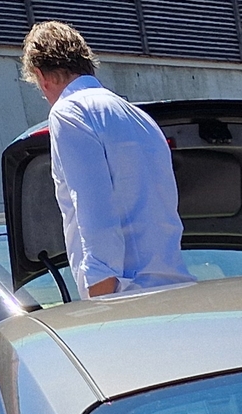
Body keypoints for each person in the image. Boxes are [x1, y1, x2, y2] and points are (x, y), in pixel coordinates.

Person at [21, 22, 190, 298]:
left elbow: (94, 209)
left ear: (42, 77)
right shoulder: (140, 118)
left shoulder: (69, 112)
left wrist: (102, 301)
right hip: (175, 289)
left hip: (126, 299)